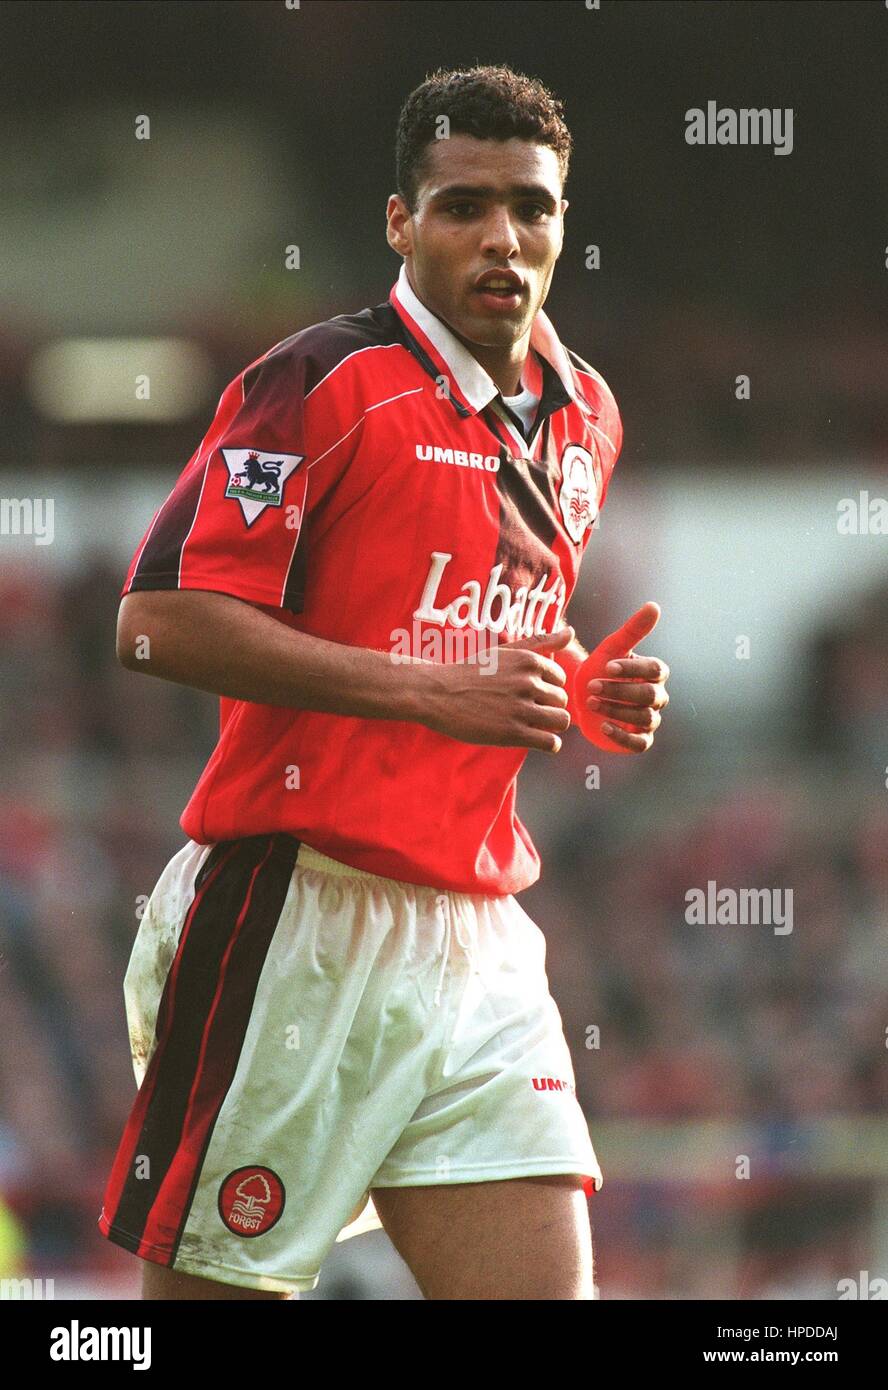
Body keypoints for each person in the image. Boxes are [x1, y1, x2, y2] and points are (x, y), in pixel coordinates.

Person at [98, 63, 669, 1301]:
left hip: (479, 941)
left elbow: (476, 615)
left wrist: (577, 689)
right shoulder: (321, 384)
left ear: (565, 223)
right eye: (463, 206)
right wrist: (427, 693)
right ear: (400, 224)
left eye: (532, 206)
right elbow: (154, 622)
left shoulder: (586, 416)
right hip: (289, 912)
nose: (502, 237)